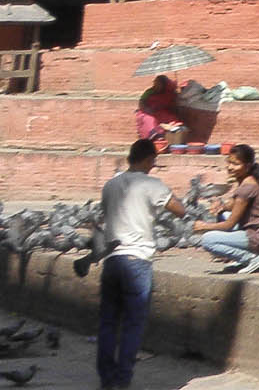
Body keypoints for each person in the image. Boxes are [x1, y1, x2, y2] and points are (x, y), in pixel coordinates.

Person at [86, 138, 184, 389]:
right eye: (153, 162)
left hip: (112, 260)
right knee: (132, 325)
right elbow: (179, 210)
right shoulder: (151, 184)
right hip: (137, 260)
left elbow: (105, 215)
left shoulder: (110, 185)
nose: (153, 166)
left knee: (108, 323)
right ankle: (123, 380)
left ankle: (107, 380)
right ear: (149, 159)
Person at [197, 142, 259, 275]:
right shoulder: (252, 180)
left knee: (207, 240)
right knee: (223, 214)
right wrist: (221, 205)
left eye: (235, 164)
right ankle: (243, 258)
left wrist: (204, 226)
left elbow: (229, 224)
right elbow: (233, 205)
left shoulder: (247, 187)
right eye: (229, 162)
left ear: (247, 166)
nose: (230, 167)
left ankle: (250, 258)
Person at [132, 76, 185, 152]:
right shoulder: (149, 92)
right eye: (155, 83)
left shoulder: (168, 93)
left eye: (159, 84)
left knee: (171, 118)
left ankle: (172, 135)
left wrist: (176, 94)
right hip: (147, 112)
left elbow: (173, 106)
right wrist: (149, 111)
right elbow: (142, 104)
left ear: (164, 84)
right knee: (150, 119)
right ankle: (156, 136)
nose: (156, 85)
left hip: (162, 112)